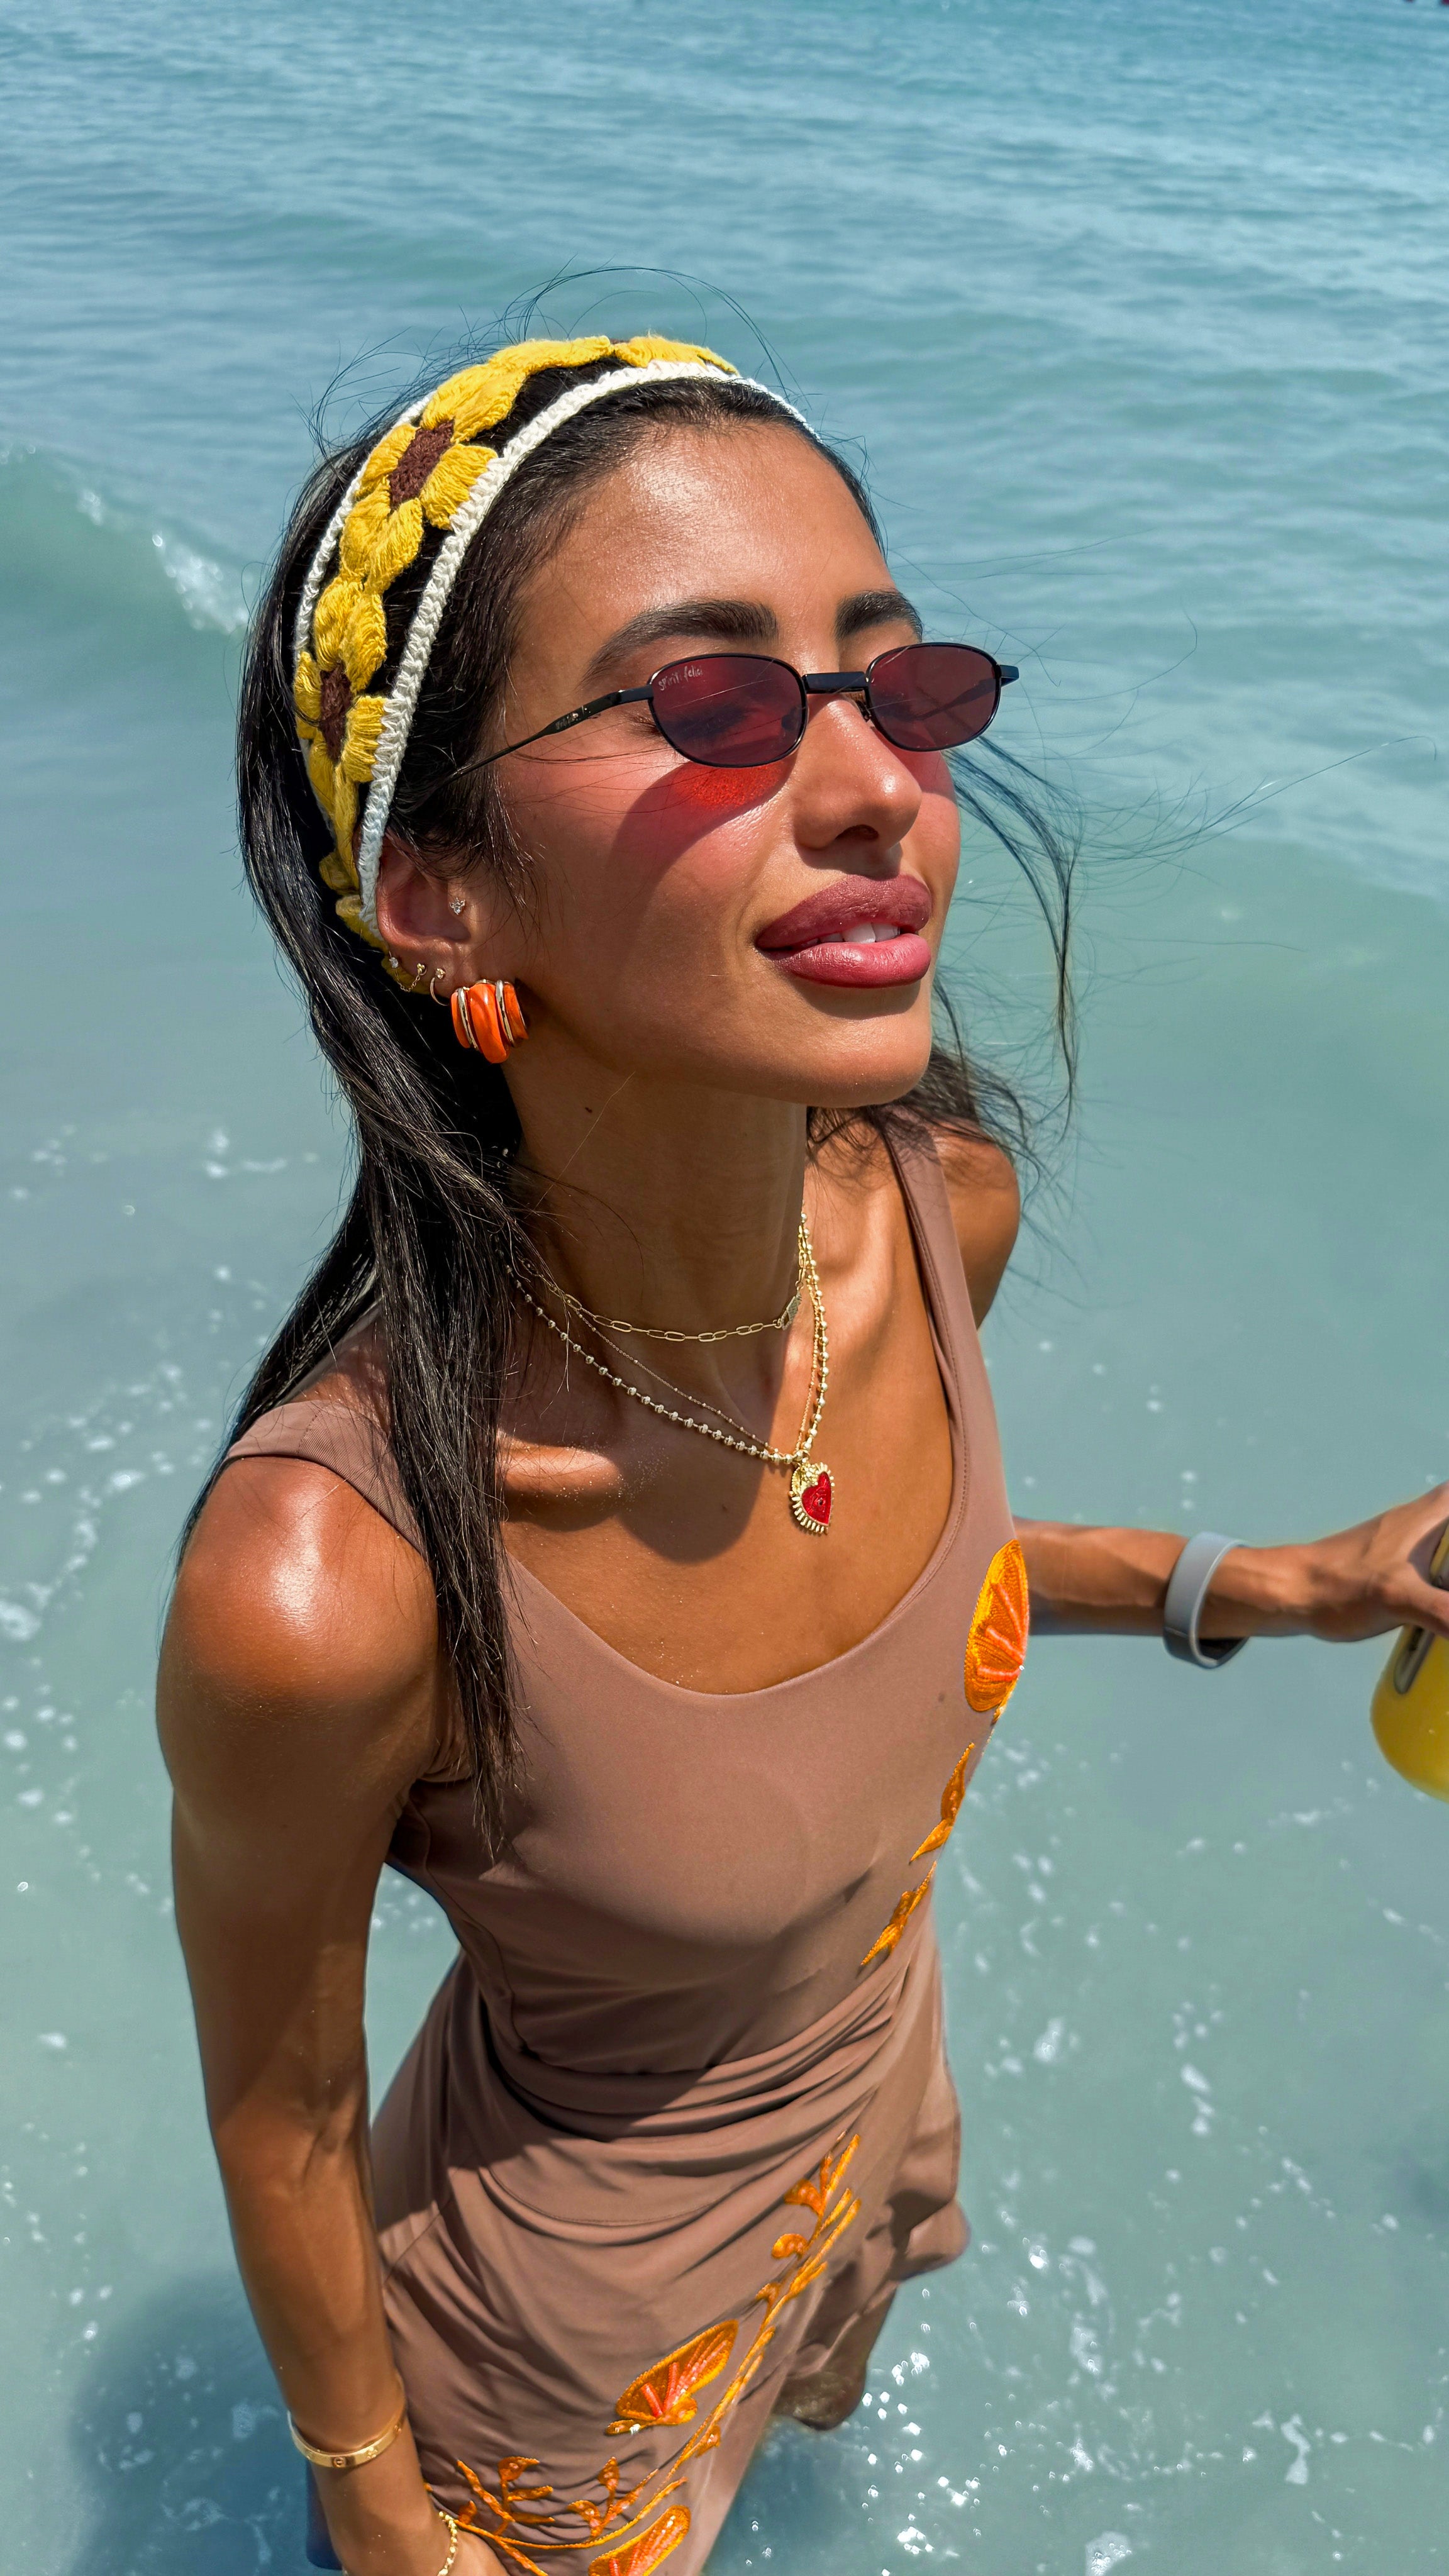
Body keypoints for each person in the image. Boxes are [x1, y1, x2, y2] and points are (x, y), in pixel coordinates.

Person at [157, 335, 1449, 2576]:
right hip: (552, 2375)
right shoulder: (329, 1580)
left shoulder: (937, 1216)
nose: (879, 790)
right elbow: (283, 2112)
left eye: (897, 683)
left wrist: (1272, 1584)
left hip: (865, 2125)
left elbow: (867, 1584)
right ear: (442, 888)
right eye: (715, 705)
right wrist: (380, 2519)